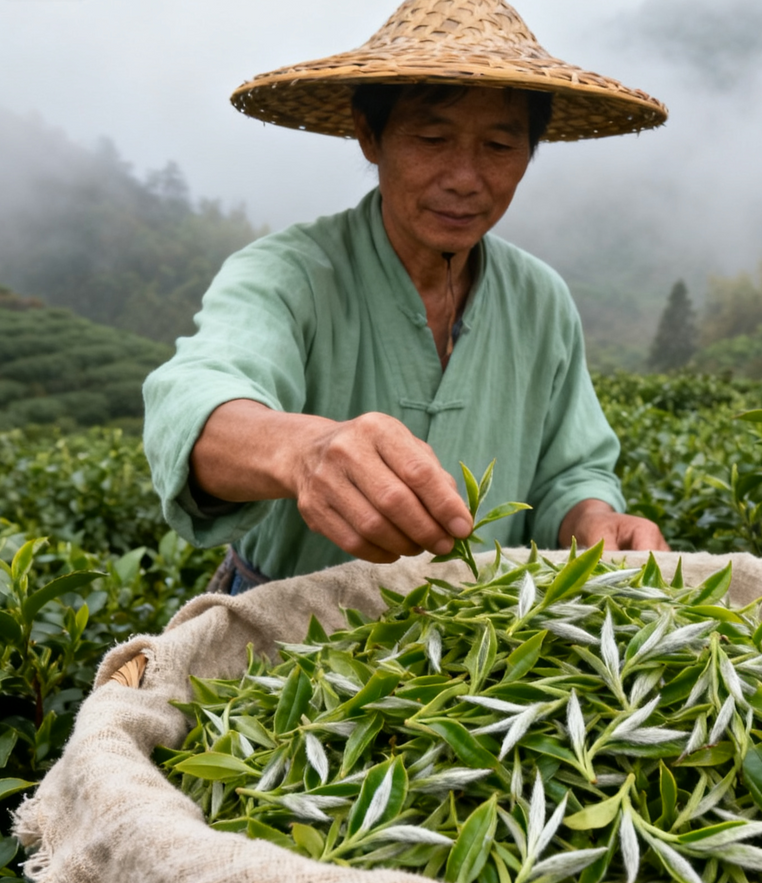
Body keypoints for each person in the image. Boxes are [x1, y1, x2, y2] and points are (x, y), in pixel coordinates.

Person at [143, 0, 670, 592]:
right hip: (289, 631)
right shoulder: (286, 275)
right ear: (371, 136)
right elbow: (194, 407)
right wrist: (305, 451)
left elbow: (571, 471)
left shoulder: (539, 299)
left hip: (476, 637)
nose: (466, 177)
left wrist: (593, 518)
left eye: (499, 146)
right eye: (431, 137)